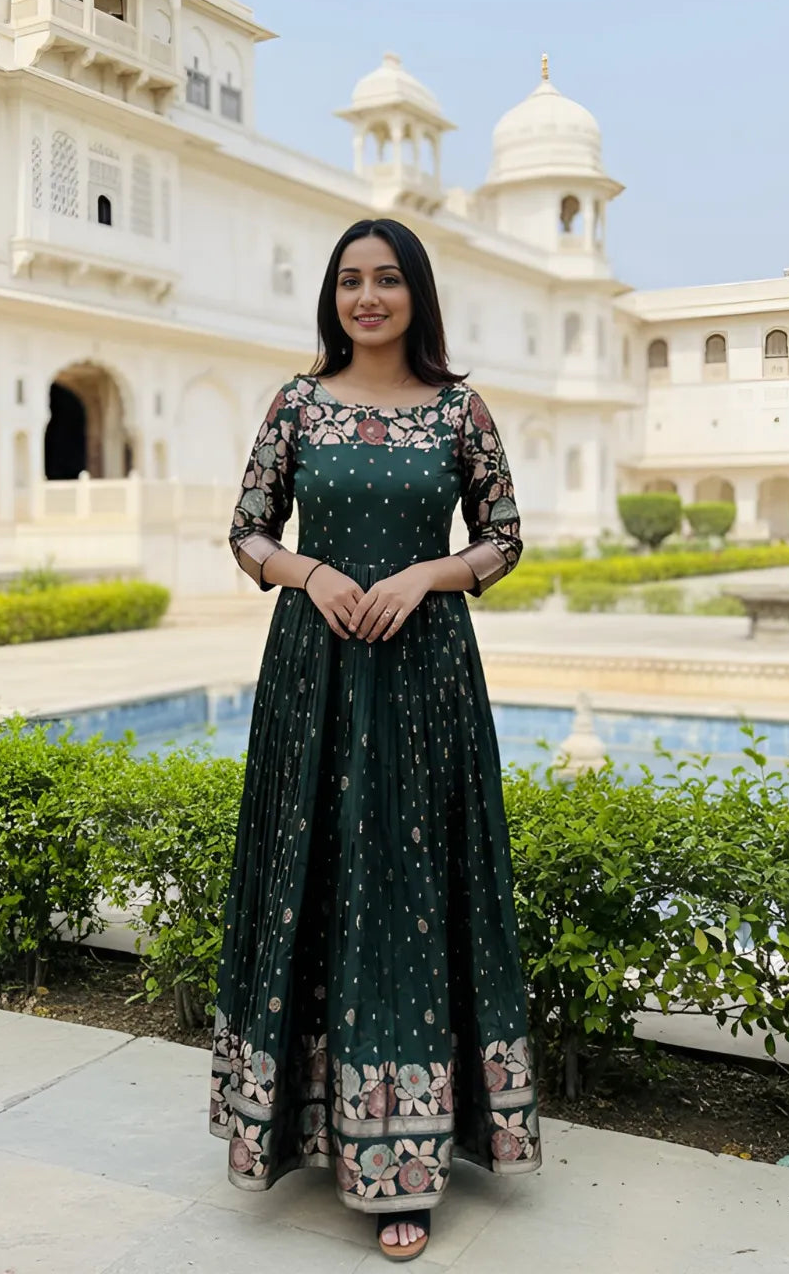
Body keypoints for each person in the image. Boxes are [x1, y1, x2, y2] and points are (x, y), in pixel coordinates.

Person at [210, 217, 542, 1262]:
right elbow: (247, 531)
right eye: (350, 280)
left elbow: (503, 538)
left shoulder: (458, 410)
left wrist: (426, 575)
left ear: (416, 295)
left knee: (408, 889)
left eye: (387, 279)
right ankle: (302, 1130)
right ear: (332, 295)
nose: (367, 297)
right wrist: (309, 572)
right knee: (311, 876)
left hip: (423, 675)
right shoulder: (297, 403)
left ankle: (408, 1160)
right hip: (312, 676)